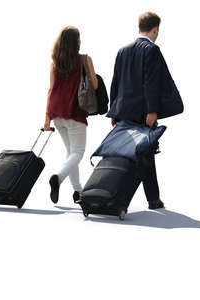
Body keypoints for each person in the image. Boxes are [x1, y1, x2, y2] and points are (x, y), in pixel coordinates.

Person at [106, 11, 166, 209]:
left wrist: (113, 111)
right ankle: (147, 198)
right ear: (155, 29)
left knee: (136, 153)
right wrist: (152, 111)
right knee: (144, 153)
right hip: (142, 112)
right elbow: (151, 83)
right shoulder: (152, 50)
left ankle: (152, 199)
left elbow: (116, 82)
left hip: (123, 111)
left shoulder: (122, 50)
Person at [44, 26, 98, 204]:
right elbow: (95, 85)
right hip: (74, 110)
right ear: (76, 42)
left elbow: (51, 89)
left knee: (71, 152)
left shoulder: (55, 62)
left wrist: (47, 118)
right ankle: (57, 178)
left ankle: (78, 191)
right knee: (78, 152)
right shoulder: (84, 59)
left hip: (56, 111)